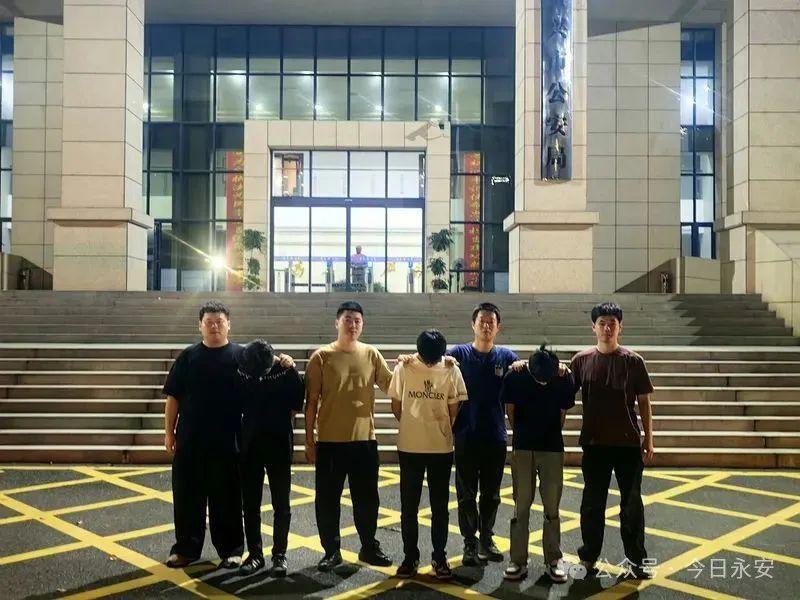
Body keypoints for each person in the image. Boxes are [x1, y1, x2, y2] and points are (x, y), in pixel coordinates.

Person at [304, 300, 394, 571]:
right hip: (330, 442)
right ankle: (331, 550)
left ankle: (368, 546)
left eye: (357, 320)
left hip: (364, 440)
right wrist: (309, 441)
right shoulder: (321, 357)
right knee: (327, 500)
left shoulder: (371, 354)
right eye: (347, 319)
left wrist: (413, 364)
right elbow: (311, 402)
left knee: (367, 499)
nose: (352, 325)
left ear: (362, 324)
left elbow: (392, 385)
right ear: (337, 323)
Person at [572, 302, 655, 580]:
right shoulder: (581, 360)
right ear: (593, 327)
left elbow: (644, 403)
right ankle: (588, 557)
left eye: (612, 324)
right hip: (594, 444)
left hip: (628, 444)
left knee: (631, 506)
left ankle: (637, 561)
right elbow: (564, 396)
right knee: (592, 504)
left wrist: (649, 439)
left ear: (621, 327)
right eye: (602, 323)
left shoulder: (633, 361)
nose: (607, 328)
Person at [163, 300, 245, 569]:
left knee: (228, 498)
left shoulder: (241, 356)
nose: (214, 326)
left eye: (219, 322)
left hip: (229, 441)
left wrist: (283, 360)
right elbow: (173, 398)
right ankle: (185, 549)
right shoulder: (188, 357)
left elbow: (264, 375)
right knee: (187, 497)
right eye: (209, 322)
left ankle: (232, 550)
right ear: (200, 326)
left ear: (229, 324)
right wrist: (169, 433)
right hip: (190, 441)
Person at [389, 329, 467, 581]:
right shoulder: (404, 367)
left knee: (435, 506)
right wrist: (424, 427)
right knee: (414, 506)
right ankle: (414, 556)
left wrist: (418, 425)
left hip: (437, 448)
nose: (432, 363)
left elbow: (454, 407)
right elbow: (396, 405)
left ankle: (433, 556)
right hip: (415, 446)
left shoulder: (451, 368)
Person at [447, 302, 520, 565]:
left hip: (495, 436)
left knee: (491, 493)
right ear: (473, 324)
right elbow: (432, 361)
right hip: (466, 435)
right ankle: (469, 542)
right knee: (466, 493)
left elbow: (527, 373)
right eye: (482, 321)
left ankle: (487, 538)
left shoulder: (506, 357)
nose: (486, 326)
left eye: (491, 322)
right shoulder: (459, 354)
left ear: (498, 328)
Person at [501, 344, 575, 583]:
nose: (543, 382)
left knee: (552, 507)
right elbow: (510, 409)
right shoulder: (516, 375)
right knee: (521, 505)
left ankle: (553, 559)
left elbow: (563, 412)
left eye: (547, 380)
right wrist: (522, 434)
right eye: (539, 379)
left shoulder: (563, 377)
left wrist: (549, 433)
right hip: (523, 448)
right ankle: (517, 560)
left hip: (552, 448)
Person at [236, 339, 305, 577]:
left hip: (278, 444)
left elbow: (296, 406)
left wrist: (290, 367)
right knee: (250, 504)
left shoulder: (287, 372)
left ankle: (279, 554)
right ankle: (255, 554)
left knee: (281, 504)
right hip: (249, 446)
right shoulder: (243, 369)